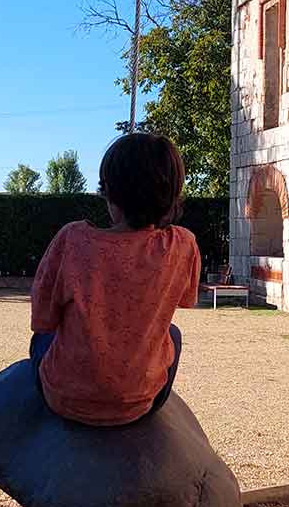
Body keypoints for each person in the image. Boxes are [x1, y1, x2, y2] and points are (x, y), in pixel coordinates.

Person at [28, 132, 201, 426]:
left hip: (65, 397)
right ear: (172, 194)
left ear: (110, 191)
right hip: (142, 402)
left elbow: (43, 320)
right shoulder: (182, 244)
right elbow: (186, 299)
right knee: (172, 333)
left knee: (41, 340)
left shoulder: (72, 239)